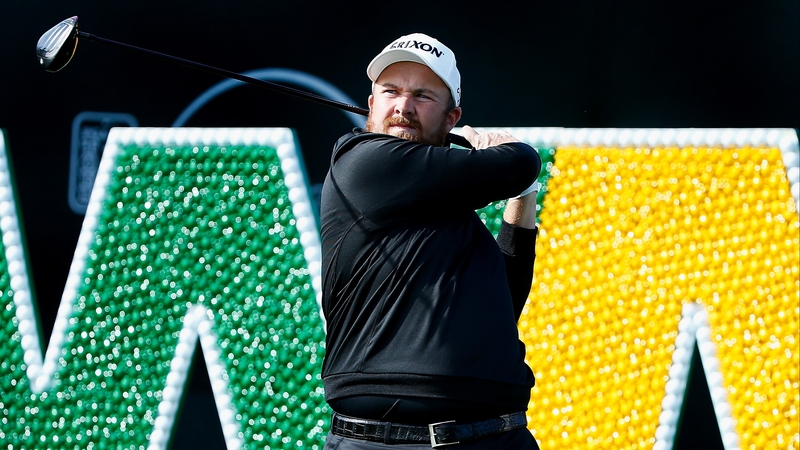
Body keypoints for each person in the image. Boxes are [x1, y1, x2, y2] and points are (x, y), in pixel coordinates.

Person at [319, 33, 542, 449]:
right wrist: (497, 154)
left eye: (422, 96)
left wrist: (523, 198)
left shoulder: (456, 214)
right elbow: (522, 160)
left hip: (499, 436)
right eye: (391, 92)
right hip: (384, 440)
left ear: (451, 116)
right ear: (371, 106)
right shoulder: (363, 162)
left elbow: (503, 301)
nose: (403, 107)